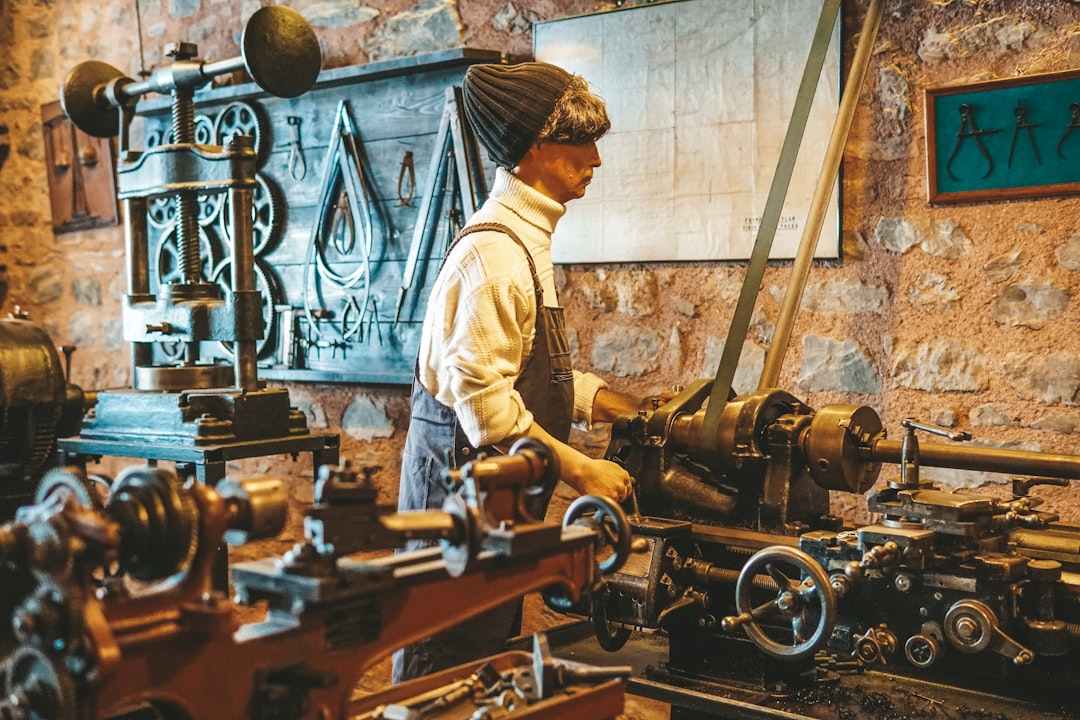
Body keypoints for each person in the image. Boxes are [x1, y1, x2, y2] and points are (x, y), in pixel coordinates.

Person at [392, 61, 644, 684]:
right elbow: (488, 410)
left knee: (482, 668)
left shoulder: (526, 238)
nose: (596, 160)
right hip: (457, 506)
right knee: (442, 671)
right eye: (581, 143)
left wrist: (621, 406)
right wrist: (584, 468)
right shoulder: (496, 254)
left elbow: (531, 369)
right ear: (535, 147)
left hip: (495, 509)